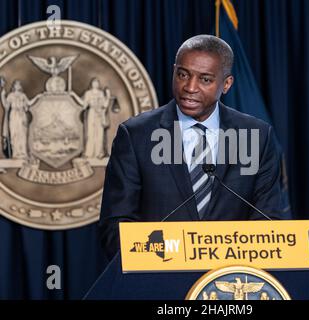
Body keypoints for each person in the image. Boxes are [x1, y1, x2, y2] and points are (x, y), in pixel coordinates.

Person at [99, 35, 291, 260]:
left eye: (206, 79)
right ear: (174, 72)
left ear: (226, 84)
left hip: (230, 282)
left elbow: (268, 223)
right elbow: (115, 226)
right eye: (183, 75)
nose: (190, 87)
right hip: (159, 281)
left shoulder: (256, 137)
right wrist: (173, 255)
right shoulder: (135, 135)